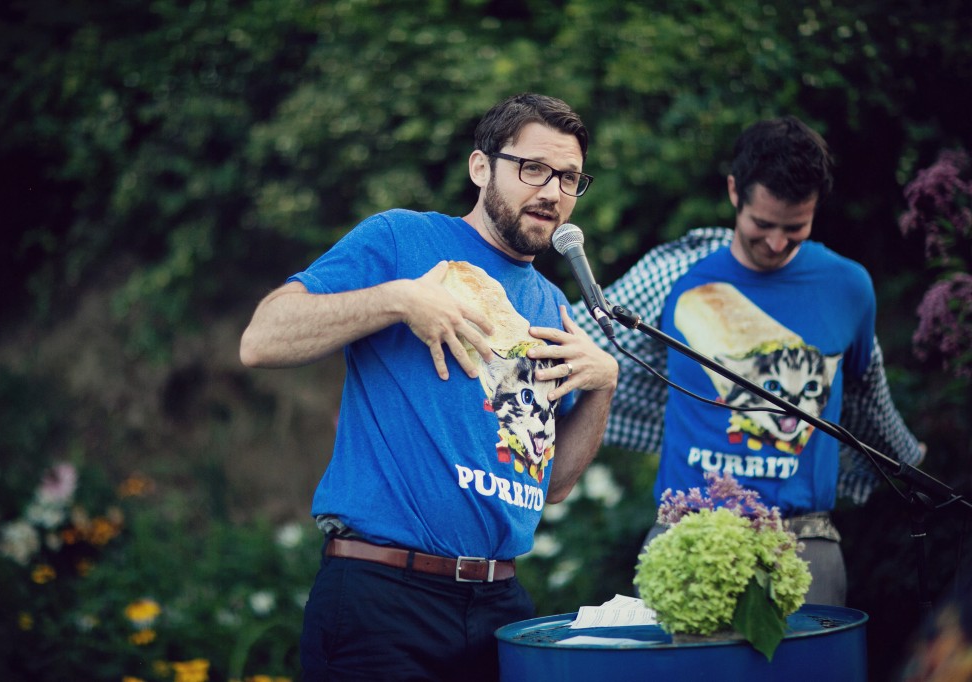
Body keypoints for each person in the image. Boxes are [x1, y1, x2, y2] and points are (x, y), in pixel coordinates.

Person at [240, 93, 618, 681]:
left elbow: (554, 487)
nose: (552, 192)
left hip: (499, 604)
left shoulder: (555, 308)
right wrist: (397, 299)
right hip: (383, 595)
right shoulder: (401, 240)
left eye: (569, 178)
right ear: (481, 167)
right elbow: (261, 339)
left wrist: (602, 386)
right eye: (534, 169)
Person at [573, 115, 924, 606]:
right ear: (735, 192)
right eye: (762, 224)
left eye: (795, 229)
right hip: (685, 538)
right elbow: (578, 341)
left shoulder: (849, 287)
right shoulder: (675, 273)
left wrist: (912, 467)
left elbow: (867, 397)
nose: (777, 243)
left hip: (806, 544)